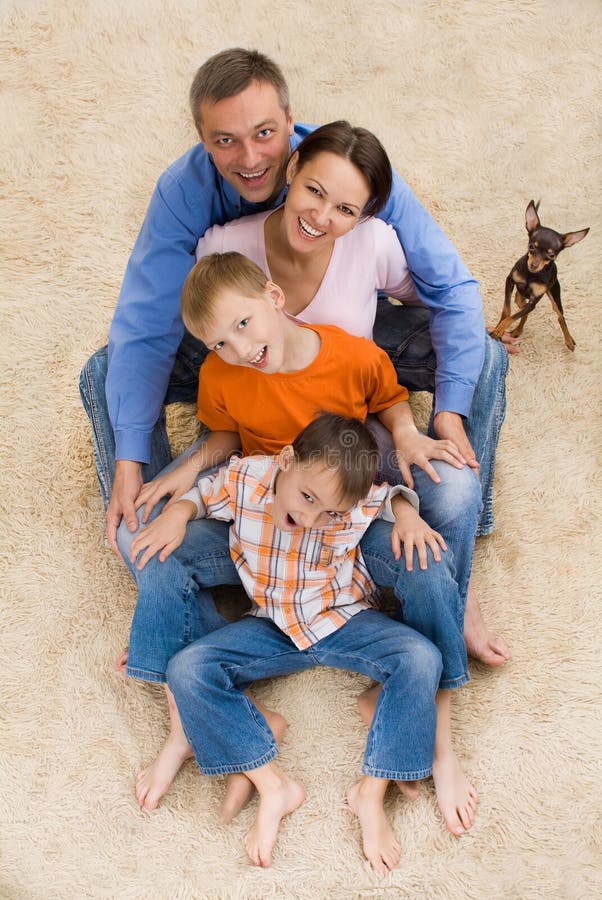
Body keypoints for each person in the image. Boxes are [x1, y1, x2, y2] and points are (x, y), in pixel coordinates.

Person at [78, 49, 513, 609]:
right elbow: (147, 323)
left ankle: (456, 560)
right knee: (111, 368)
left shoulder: (346, 175)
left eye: (264, 132)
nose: (251, 157)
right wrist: (131, 460)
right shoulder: (200, 211)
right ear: (202, 140)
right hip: (241, 333)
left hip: (344, 345)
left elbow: (446, 288)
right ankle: (176, 543)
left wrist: (445, 416)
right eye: (225, 141)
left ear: (291, 128)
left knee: (480, 356)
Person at [124, 252, 478, 838]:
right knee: (145, 540)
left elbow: (382, 474)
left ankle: (425, 741)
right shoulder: (247, 459)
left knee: (431, 553)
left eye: (243, 325)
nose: (238, 350)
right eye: (218, 344)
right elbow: (222, 454)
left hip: (339, 502)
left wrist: (408, 474)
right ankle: (189, 721)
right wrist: (180, 498)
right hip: (266, 559)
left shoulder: (349, 358)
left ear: (274, 297)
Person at [137, 118, 509, 666]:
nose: (320, 217)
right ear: (292, 171)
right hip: (272, 462)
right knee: (137, 530)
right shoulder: (227, 274)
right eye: (313, 191)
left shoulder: (369, 252)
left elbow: (437, 303)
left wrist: (423, 424)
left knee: (457, 476)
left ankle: (457, 579)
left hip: (349, 429)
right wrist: (182, 474)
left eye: (344, 210)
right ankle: (218, 602)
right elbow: (215, 402)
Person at [159, 412, 443, 873]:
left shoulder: (348, 501)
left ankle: (371, 792)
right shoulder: (248, 477)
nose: (309, 517)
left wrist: (407, 514)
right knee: (187, 669)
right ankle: (273, 785)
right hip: (270, 625)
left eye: (328, 513)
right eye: (307, 497)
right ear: (287, 460)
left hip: (343, 618)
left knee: (421, 656)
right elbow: (204, 493)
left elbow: (388, 497)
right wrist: (177, 512)